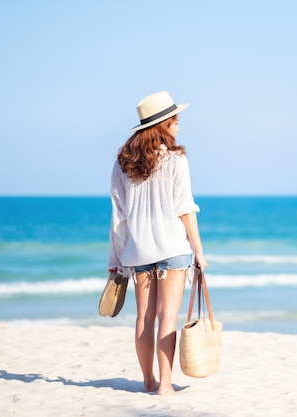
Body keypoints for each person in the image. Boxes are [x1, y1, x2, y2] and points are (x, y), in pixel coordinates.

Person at [107, 90, 207, 396]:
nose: (178, 125)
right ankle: (165, 385)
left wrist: (116, 258)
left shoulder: (123, 165)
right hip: (173, 249)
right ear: (162, 124)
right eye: (175, 120)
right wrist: (199, 250)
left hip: (138, 252)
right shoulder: (176, 160)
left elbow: (118, 217)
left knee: (144, 318)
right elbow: (185, 208)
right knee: (167, 318)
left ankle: (148, 381)